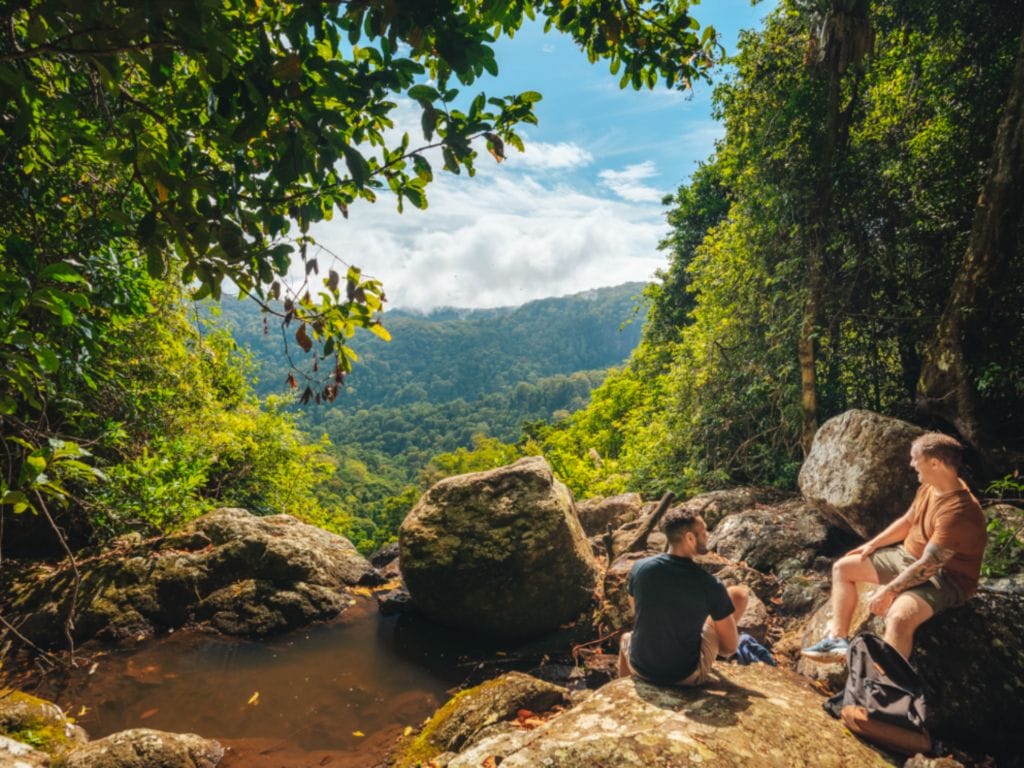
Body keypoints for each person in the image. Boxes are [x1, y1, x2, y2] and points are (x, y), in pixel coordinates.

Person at [802, 432, 987, 663]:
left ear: (935, 463)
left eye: (914, 458)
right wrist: (871, 545)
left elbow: (929, 566)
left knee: (899, 617)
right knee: (843, 567)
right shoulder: (930, 487)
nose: (911, 464)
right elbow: (908, 521)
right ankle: (838, 640)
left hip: (946, 578)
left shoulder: (959, 512)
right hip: (907, 557)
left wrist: (889, 590)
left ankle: (887, 687)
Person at [617, 508, 749, 685]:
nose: (707, 536)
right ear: (689, 538)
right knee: (738, 594)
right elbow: (730, 647)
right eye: (703, 532)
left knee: (626, 638)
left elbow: (638, 611)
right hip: (684, 675)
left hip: (640, 667)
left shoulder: (639, 568)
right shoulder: (709, 584)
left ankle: (624, 688)